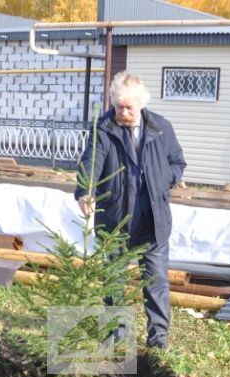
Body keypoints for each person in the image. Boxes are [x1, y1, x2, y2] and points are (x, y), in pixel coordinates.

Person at [74, 71, 187, 350]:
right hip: (114, 220)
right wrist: (86, 190)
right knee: (114, 281)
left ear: (141, 105)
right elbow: (91, 161)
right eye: (118, 106)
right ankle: (117, 336)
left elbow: (178, 162)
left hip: (153, 221)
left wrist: (162, 181)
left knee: (156, 282)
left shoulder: (162, 128)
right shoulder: (103, 128)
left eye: (128, 107)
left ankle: (158, 337)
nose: (122, 112)